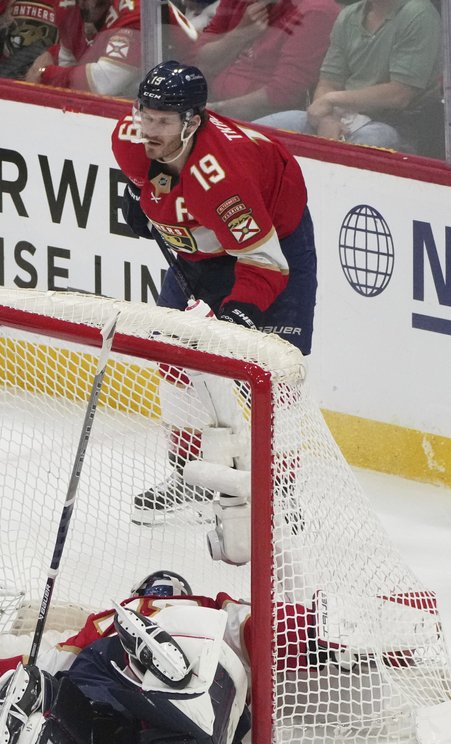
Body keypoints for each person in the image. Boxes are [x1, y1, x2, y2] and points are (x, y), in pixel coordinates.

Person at [111, 61, 315, 533]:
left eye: (163, 121)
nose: (149, 130)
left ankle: (277, 494)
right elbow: (154, 181)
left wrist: (239, 314)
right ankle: (192, 475)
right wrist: (146, 199)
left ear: (193, 121)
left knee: (274, 376)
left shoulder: (224, 177)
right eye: (146, 114)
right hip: (204, 246)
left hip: (272, 245)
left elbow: (264, 263)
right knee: (174, 356)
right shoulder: (130, 136)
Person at [0, 570, 254, 744]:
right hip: (199, 675)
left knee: (99, 732)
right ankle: (165, 667)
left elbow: (60, 658)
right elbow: (255, 625)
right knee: (230, 709)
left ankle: (48, 708)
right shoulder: (208, 608)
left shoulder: (115, 613)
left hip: (109, 669)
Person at [253, 0, 441, 153]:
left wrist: (331, 100)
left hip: (394, 125)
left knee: (368, 142)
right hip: (338, 116)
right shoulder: (349, 15)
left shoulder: (419, 12)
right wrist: (326, 119)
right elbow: (328, 81)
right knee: (253, 134)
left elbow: (399, 94)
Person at [189, 0, 338, 121]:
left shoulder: (316, 10)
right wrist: (239, 34)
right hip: (209, 105)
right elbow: (201, 62)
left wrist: (216, 110)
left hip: (261, 121)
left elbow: (284, 94)